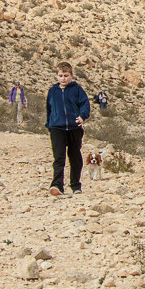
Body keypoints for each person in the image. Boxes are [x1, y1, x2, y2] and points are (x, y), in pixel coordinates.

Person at [45, 61, 90, 196]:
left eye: (66, 76)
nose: (63, 78)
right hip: (57, 128)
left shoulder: (77, 90)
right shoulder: (53, 91)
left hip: (74, 128)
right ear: (56, 76)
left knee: (75, 157)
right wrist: (49, 124)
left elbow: (85, 104)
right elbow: (49, 109)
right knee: (59, 157)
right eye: (60, 76)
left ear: (71, 75)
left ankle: (75, 185)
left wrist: (82, 116)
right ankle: (57, 185)